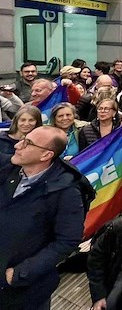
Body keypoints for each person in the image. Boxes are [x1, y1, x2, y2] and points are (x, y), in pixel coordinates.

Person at [0, 126, 87, 309]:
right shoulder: (10, 168)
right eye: (23, 138)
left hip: (23, 293)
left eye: (27, 143)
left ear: (46, 155)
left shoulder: (66, 192)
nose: (18, 145)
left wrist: (18, 274)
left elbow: (67, 241)